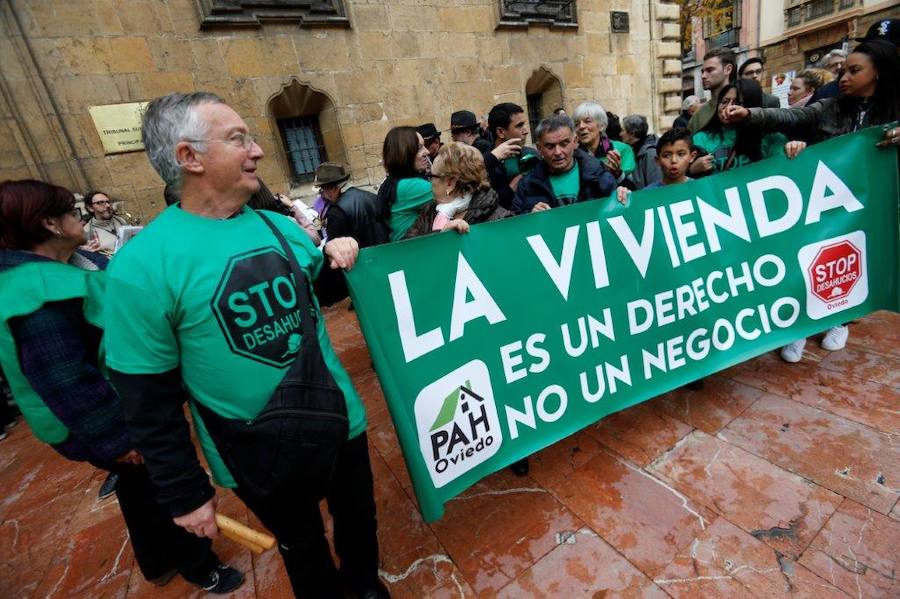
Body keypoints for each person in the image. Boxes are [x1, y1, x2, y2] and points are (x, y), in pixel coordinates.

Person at [102, 92, 388, 599]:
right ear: (188, 157)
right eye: (238, 139)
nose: (256, 151)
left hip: (337, 417)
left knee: (360, 520)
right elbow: (147, 400)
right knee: (303, 546)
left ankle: (367, 589)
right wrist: (184, 492)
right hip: (253, 447)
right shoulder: (140, 267)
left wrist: (346, 255)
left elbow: (324, 294)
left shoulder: (280, 228)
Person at [0, 179, 241, 593]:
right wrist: (122, 440)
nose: (81, 218)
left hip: (112, 416)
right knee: (165, 487)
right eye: (73, 212)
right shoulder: (37, 293)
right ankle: (200, 565)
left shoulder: (54, 271)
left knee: (137, 492)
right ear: (49, 225)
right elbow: (67, 381)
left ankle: (156, 561)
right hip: (112, 421)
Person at [723, 40, 900, 360]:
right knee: (817, 257)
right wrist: (749, 114)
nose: (844, 77)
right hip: (829, 202)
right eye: (843, 69)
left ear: (878, 73)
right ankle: (801, 326)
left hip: (872, 204)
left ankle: (840, 320)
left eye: (854, 70)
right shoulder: (830, 107)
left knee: (856, 261)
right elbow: (791, 117)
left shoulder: (895, 113)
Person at [512, 113, 617, 214]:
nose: (558, 152)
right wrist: (531, 215)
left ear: (575, 142)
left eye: (564, 144)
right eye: (550, 146)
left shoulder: (597, 172)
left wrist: (621, 194)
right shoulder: (528, 184)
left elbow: (618, 206)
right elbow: (516, 222)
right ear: (539, 148)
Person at [406, 142, 510, 238]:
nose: (430, 181)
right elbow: (408, 251)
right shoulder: (430, 212)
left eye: (431, 176)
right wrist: (440, 236)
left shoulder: (502, 220)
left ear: (450, 183)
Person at [691, 79, 787, 176]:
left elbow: (782, 170)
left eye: (736, 103)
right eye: (724, 102)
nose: (728, 107)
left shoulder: (771, 138)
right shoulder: (700, 139)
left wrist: (795, 147)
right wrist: (691, 170)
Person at [377, 126, 433, 241]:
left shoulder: (394, 182)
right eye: (419, 148)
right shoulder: (410, 186)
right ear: (405, 153)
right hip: (413, 253)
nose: (426, 152)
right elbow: (453, 192)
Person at [482, 102, 540, 210]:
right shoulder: (485, 163)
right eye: (519, 126)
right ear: (500, 132)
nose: (526, 131)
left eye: (524, 124)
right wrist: (512, 187)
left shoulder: (532, 154)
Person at [572, 102, 636, 184]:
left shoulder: (622, 149)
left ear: (601, 126)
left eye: (587, 121)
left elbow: (631, 186)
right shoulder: (573, 154)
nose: (581, 127)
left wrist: (617, 173)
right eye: (577, 124)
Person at [689, 47, 737, 133]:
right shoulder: (699, 115)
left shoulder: (745, 107)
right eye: (702, 71)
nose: (703, 76)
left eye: (709, 70)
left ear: (728, 69)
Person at [620, 115, 663, 189]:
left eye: (622, 130)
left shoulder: (650, 153)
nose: (620, 134)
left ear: (632, 133)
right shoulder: (635, 149)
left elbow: (655, 186)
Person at [83, 190, 128, 256]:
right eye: (100, 202)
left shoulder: (120, 220)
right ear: (90, 208)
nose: (107, 205)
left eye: (108, 202)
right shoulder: (87, 231)